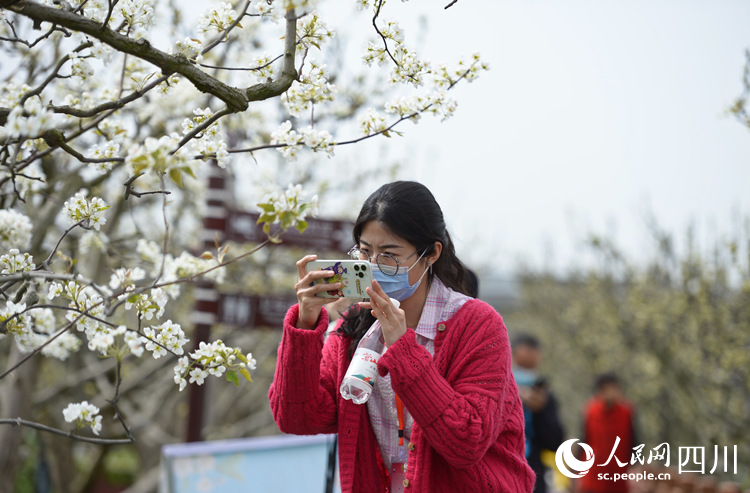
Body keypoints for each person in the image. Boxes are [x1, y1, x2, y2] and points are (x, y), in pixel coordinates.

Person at [269, 181, 535, 493]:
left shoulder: (478, 325)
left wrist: (403, 349)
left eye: (390, 255)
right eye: (365, 252)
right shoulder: (355, 326)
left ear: (431, 254)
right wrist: (305, 323)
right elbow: (296, 417)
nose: (374, 266)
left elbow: (467, 440)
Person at [511, 334, 565, 493]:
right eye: (522, 366)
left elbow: (555, 441)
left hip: (534, 472)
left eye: (530, 366)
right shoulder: (498, 390)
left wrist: (541, 410)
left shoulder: (545, 397)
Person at [579, 372, 637, 493]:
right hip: (593, 473)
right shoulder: (590, 411)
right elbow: (583, 440)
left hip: (619, 473)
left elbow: (634, 442)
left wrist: (634, 467)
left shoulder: (627, 412)